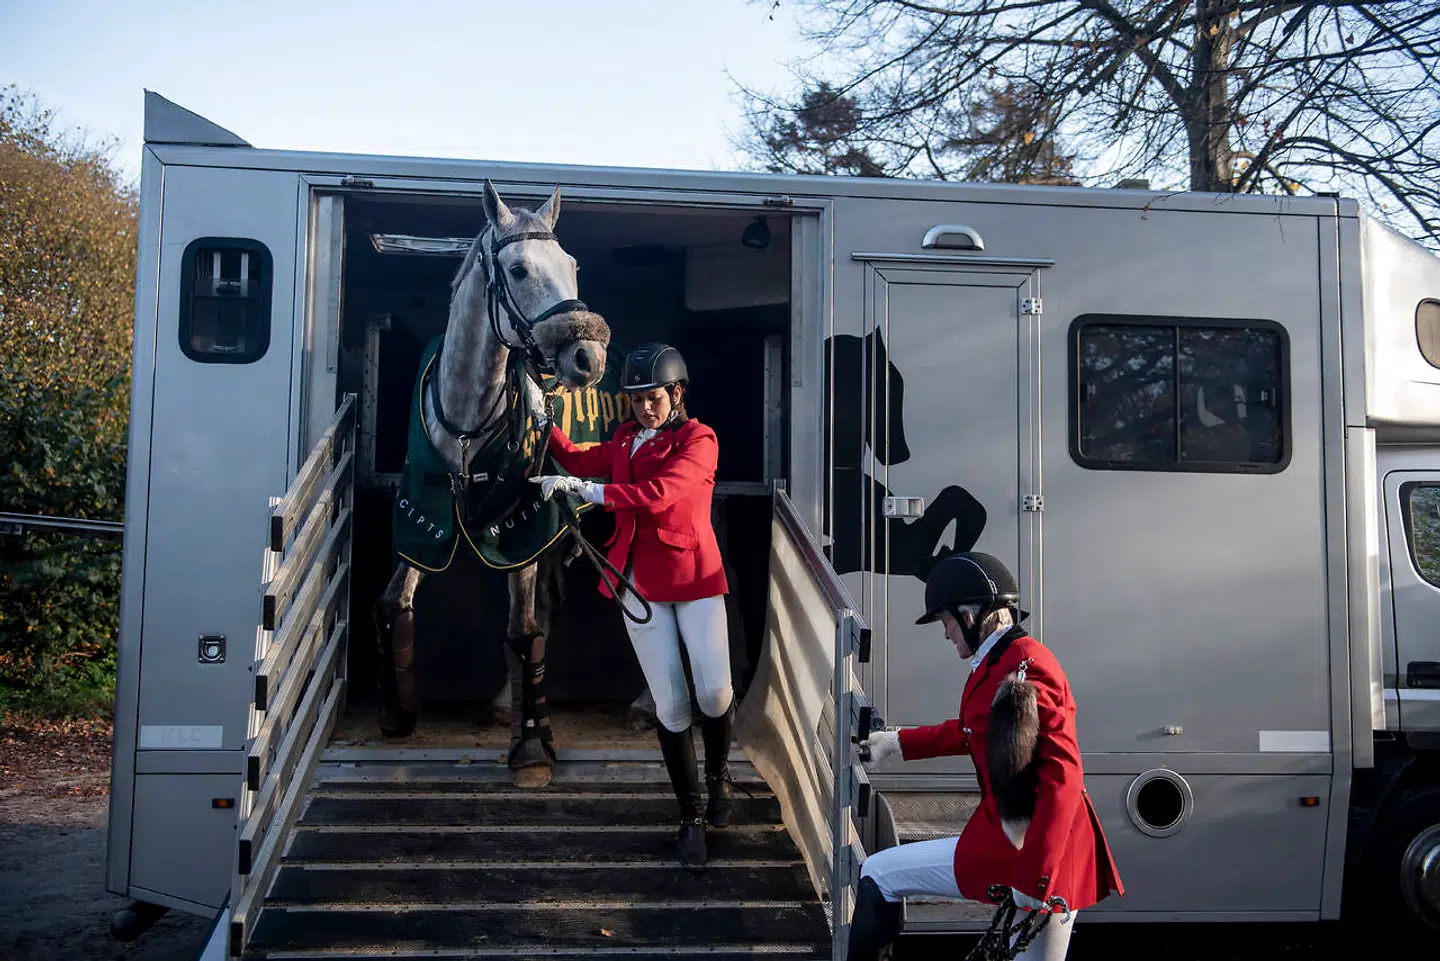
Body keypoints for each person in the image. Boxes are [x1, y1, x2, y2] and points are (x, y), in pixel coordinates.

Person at [853, 551, 1123, 961]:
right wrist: (897, 742)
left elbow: (1063, 779)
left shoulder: (1027, 668)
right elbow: (975, 727)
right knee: (879, 873)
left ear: (970, 614)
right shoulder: (1001, 660)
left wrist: (1037, 875)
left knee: (879, 874)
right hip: (1019, 845)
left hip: (1040, 854)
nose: (946, 634)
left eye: (945, 621)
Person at [528, 342, 735, 872]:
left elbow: (660, 493)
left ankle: (719, 774)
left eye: (653, 398)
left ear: (677, 393)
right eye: (637, 399)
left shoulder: (700, 438)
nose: (644, 408)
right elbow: (578, 458)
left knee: (715, 692)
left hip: (693, 576)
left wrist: (588, 492)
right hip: (637, 581)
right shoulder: (624, 438)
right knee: (672, 704)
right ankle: (690, 817)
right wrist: (543, 421)